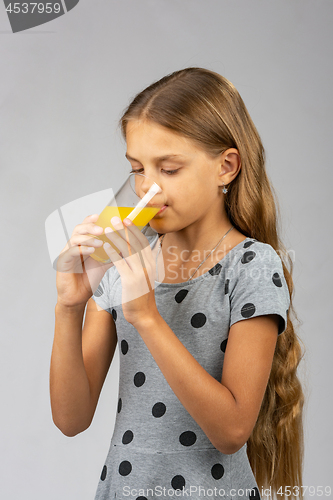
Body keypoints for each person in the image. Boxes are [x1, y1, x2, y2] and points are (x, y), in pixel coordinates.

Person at [50, 67, 305, 500]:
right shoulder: (124, 257)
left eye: (168, 168)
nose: (148, 188)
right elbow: (71, 419)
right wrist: (69, 307)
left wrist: (147, 317)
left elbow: (231, 431)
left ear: (226, 167)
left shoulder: (253, 266)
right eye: (137, 169)